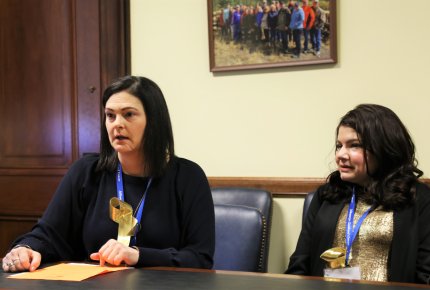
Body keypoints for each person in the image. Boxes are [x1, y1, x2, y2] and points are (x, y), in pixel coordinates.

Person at [2, 76, 215, 272]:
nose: (117, 124)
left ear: (154, 121)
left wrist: (137, 255)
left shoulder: (188, 177)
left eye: (129, 114)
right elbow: (48, 235)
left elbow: (199, 258)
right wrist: (26, 248)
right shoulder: (86, 172)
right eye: (110, 116)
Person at [285, 104, 430, 284]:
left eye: (354, 146)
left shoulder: (417, 197)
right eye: (339, 146)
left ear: (384, 148)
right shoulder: (327, 194)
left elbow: (425, 275)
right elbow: (300, 263)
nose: (341, 155)